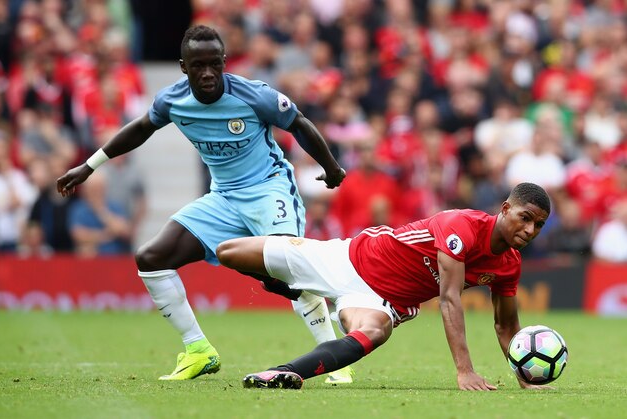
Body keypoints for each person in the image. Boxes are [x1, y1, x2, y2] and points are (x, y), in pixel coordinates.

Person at [56, 25, 350, 383]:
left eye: (214, 64)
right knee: (152, 258)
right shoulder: (173, 100)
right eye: (198, 65)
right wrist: (89, 166)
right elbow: (140, 128)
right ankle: (198, 350)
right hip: (223, 198)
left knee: (286, 273)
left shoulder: (253, 95)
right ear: (183, 66)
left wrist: (332, 168)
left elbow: (299, 123)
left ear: (225, 63)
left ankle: (337, 361)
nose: (207, 73)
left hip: (268, 190)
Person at [216, 182, 553, 391]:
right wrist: (465, 371)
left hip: (381, 301)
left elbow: (506, 325)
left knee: (375, 332)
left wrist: (525, 372)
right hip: (347, 259)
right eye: (525, 217)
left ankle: (281, 374)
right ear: (506, 208)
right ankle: (286, 285)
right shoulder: (461, 226)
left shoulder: (508, 265)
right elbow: (449, 299)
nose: (530, 229)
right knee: (228, 253)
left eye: (538, 224)